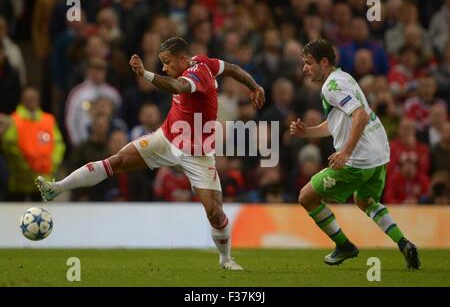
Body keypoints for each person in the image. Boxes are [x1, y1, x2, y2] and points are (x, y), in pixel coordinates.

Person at [35, 37, 265, 270]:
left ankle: (225, 259)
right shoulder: (204, 62)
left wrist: (145, 74)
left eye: (167, 62)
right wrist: (254, 86)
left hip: (197, 153)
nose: (164, 68)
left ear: (183, 59)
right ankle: (57, 188)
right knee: (117, 161)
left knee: (215, 213)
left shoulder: (198, 74)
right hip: (166, 138)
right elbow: (233, 69)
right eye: (161, 63)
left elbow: (177, 87)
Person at [290, 39, 420, 269]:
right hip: (379, 153)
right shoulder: (344, 78)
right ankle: (405, 244)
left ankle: (344, 246)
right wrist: (307, 132)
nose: (304, 69)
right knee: (366, 201)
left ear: (324, 61)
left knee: (306, 197)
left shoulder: (331, 88)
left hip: (358, 159)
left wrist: (345, 152)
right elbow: (340, 123)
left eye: (308, 63)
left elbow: (359, 115)